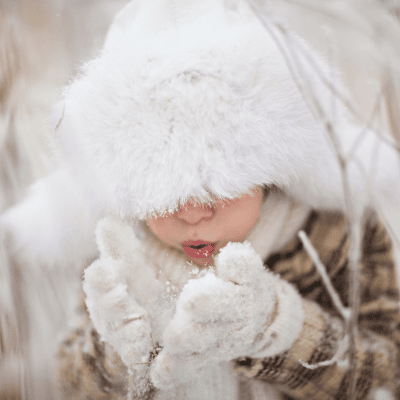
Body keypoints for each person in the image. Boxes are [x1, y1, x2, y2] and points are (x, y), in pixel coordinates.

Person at [1, 0, 400, 399]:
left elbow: (384, 373)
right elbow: (70, 383)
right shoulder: (120, 254)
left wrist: (275, 328)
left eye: (216, 185)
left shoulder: (331, 235)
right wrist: (115, 352)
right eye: (159, 189)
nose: (191, 213)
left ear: (269, 172)